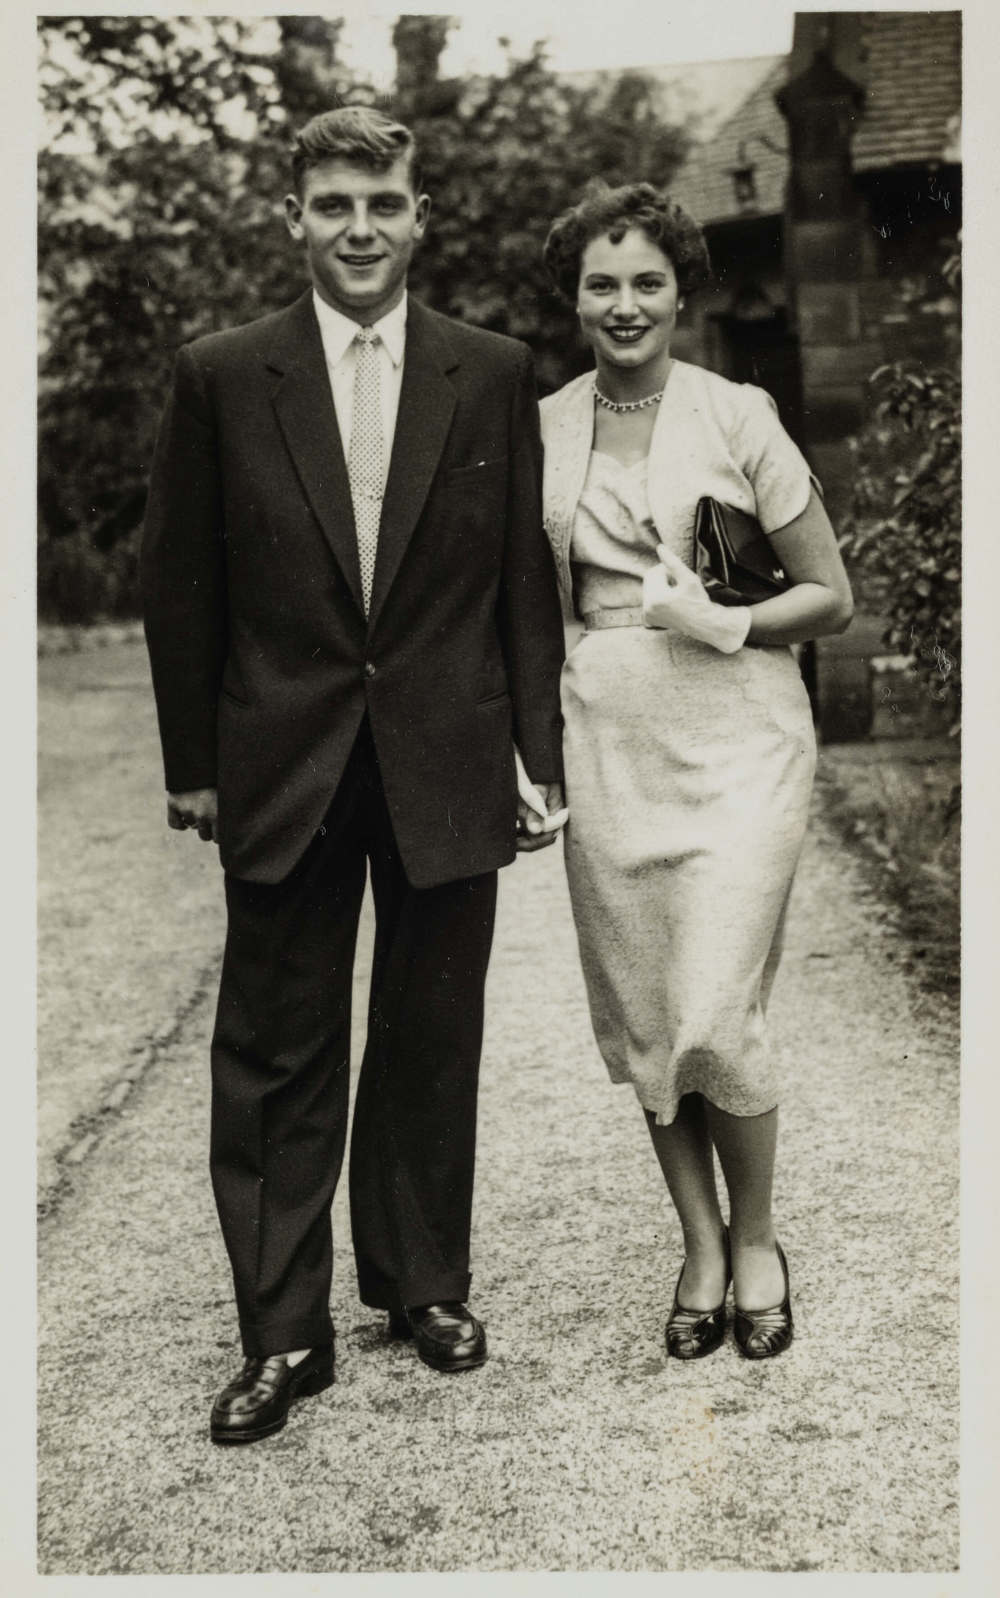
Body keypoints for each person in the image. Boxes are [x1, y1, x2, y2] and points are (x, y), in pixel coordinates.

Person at [141, 105, 566, 1443]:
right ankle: (283, 1332)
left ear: (420, 211)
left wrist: (537, 756)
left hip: (444, 746)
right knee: (274, 1047)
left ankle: (423, 1281)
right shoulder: (224, 371)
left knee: (434, 1031)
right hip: (287, 755)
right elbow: (182, 581)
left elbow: (519, 584)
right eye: (334, 205)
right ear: (296, 218)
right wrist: (196, 763)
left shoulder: (488, 369)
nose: (360, 228)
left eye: (382, 202)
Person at [539, 181, 853, 1360]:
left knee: (717, 1000)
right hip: (610, 739)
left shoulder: (737, 414)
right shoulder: (545, 428)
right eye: (602, 284)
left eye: (647, 281)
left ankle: (759, 1236)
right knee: (648, 1011)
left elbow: (830, 595)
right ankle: (700, 1240)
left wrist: (725, 621)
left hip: (738, 735)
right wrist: (537, 755)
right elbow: (537, 609)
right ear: (573, 297)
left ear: (682, 290)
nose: (625, 305)